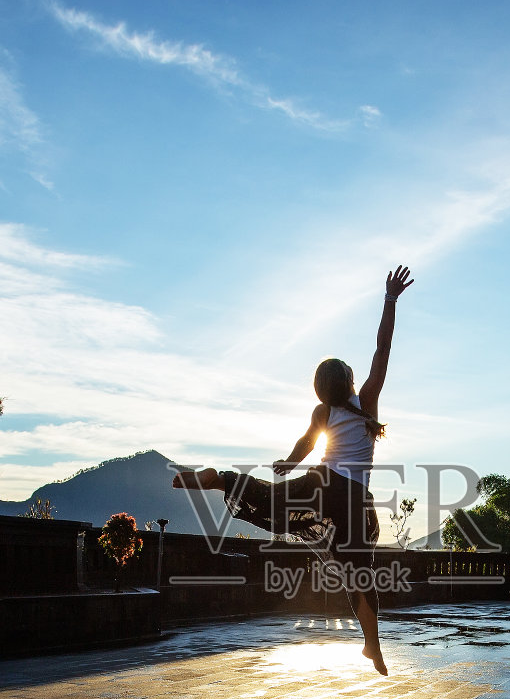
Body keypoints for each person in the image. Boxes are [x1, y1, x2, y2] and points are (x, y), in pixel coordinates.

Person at [173, 265, 413, 674]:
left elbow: (306, 445)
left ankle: (222, 480)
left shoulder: (324, 411)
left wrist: (288, 463)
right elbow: (382, 350)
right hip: (353, 498)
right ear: (352, 382)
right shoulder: (366, 403)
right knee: (361, 574)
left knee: (269, 500)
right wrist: (390, 300)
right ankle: (372, 643)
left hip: (321, 483)